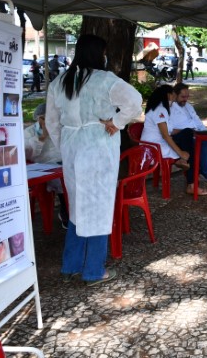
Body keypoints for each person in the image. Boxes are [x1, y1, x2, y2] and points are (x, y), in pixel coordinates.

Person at [46, 34, 143, 286]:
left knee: (77, 206)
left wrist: (65, 148)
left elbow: (52, 123)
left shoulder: (60, 82)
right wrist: (117, 123)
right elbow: (134, 101)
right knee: (98, 207)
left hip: (72, 148)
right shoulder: (104, 79)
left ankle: (71, 265)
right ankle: (93, 270)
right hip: (98, 146)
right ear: (99, 54)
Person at [142, 85, 207, 195]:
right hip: (154, 145)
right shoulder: (160, 110)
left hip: (161, 142)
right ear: (168, 95)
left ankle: (187, 170)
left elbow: (170, 131)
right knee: (188, 148)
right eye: (173, 94)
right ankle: (190, 180)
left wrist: (187, 130)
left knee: (187, 135)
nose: (174, 98)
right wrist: (180, 152)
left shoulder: (162, 108)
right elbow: (165, 135)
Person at [24, 103, 69, 229]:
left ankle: (76, 212)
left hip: (63, 163)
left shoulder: (60, 129)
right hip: (43, 166)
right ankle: (66, 214)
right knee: (62, 182)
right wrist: (42, 137)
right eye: (44, 118)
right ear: (38, 118)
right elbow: (26, 154)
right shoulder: (29, 132)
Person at [169, 83, 207, 184]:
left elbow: (197, 121)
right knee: (203, 144)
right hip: (182, 138)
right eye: (183, 97)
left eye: (187, 97)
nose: (185, 99)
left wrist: (205, 131)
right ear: (175, 95)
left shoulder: (188, 106)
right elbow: (170, 129)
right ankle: (205, 171)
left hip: (197, 133)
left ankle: (200, 167)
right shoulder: (170, 108)